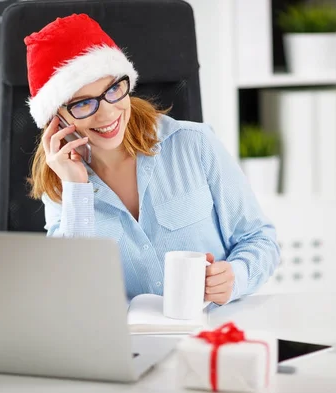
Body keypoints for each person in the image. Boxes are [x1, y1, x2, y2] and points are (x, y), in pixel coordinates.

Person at [24, 14, 279, 305]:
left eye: (112, 90)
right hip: (130, 346)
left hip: (212, 333)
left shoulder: (194, 143)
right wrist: (76, 189)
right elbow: (71, 294)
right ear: (57, 119)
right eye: (83, 103)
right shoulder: (62, 185)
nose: (107, 113)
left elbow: (260, 239)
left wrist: (237, 276)